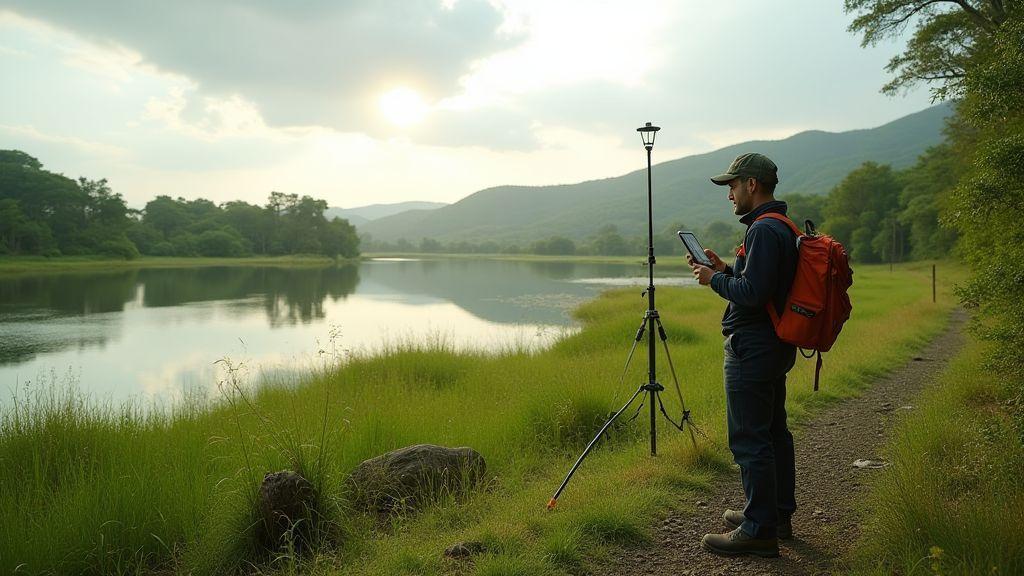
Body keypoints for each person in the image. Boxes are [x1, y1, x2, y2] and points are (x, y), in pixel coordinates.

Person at [686, 152, 799, 558]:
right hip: (772, 345)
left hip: (752, 348)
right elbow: (761, 285)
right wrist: (725, 269)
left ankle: (758, 529)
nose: (729, 194)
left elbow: (752, 296)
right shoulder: (778, 226)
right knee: (772, 433)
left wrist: (714, 279)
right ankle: (775, 514)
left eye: (732, 186)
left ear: (752, 184)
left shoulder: (764, 231)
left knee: (750, 438)